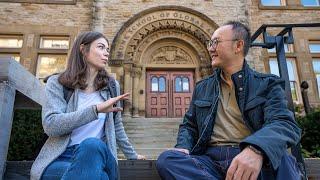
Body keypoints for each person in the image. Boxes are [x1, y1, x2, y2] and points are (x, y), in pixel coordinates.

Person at [156, 21, 302, 180]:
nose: (210, 48)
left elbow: (284, 123)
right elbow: (189, 125)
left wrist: (256, 149)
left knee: (283, 161)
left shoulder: (268, 84)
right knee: (167, 160)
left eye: (215, 42)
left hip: (253, 158)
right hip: (210, 161)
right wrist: (183, 146)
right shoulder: (202, 87)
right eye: (210, 43)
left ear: (238, 46)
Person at [30, 31, 145, 180]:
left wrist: (132, 155)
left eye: (108, 49)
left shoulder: (111, 86)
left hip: (99, 156)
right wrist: (96, 110)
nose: (106, 53)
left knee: (91, 145)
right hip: (61, 158)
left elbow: (117, 126)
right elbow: (51, 126)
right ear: (83, 50)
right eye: (101, 47)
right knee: (98, 176)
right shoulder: (57, 83)